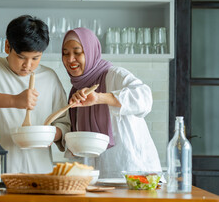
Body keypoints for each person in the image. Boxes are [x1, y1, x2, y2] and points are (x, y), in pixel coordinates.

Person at [0, 15, 70, 174]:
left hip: (41, 173)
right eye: (21, 57)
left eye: (35, 58)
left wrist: (48, 134)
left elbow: (64, 125)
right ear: (7, 46)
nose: (28, 65)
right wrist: (14, 100)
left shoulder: (50, 77)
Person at [61, 27, 162, 178]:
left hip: (132, 171)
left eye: (77, 52)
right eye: (65, 53)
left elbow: (144, 98)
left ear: (90, 51)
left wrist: (100, 98)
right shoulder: (76, 90)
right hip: (99, 178)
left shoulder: (114, 75)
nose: (70, 59)